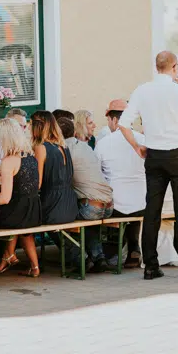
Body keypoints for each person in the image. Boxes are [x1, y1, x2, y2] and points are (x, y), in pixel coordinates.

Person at [119, 51, 178, 281]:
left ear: (156, 66)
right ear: (175, 67)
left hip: (154, 155)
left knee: (152, 211)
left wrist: (137, 147)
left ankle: (150, 265)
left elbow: (123, 123)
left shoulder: (142, 90)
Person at [95, 99, 147, 268]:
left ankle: (111, 254)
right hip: (143, 202)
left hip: (115, 205)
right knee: (133, 207)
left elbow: (97, 176)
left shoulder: (103, 143)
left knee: (110, 204)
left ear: (115, 120)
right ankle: (133, 248)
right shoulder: (143, 139)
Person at [60, 117, 113, 273]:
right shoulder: (85, 147)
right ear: (74, 131)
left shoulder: (63, 150)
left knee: (56, 221)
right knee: (88, 221)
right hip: (109, 204)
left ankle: (80, 258)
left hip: (90, 206)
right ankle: (98, 257)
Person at [0, 118, 42, 276]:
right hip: (34, 212)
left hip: (18, 214)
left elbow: (4, 198)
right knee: (24, 231)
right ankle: (34, 266)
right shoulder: (30, 156)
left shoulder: (8, 161)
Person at [31, 111, 77, 226]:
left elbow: (37, 184)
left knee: (22, 217)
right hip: (70, 205)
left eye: (30, 124)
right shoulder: (63, 146)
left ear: (38, 127)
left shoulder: (41, 148)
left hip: (53, 207)